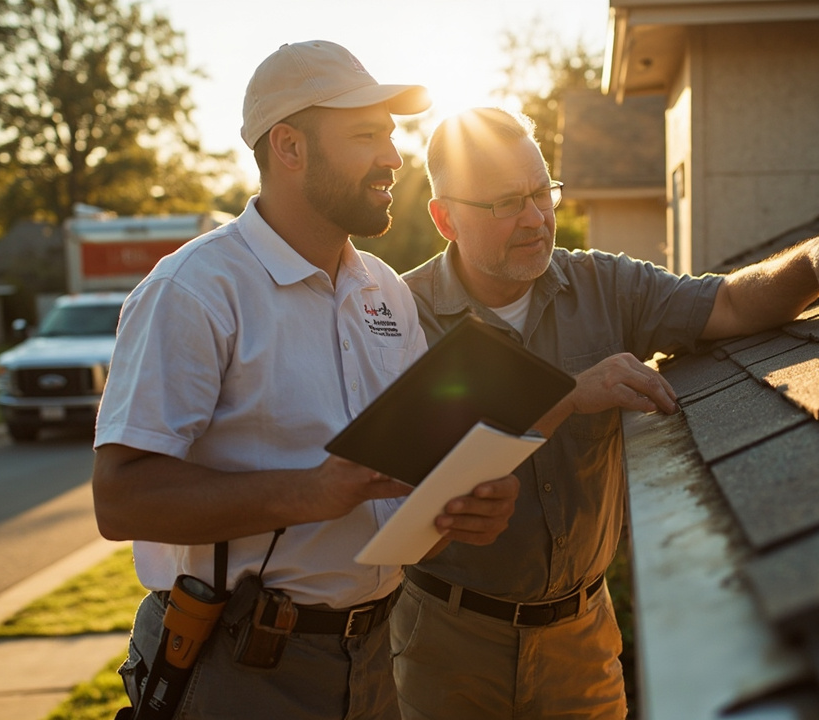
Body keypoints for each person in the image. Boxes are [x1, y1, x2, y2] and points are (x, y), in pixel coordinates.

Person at [390, 107, 819, 719]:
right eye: (506, 203)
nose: (537, 218)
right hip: (449, 648)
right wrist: (568, 392)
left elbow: (726, 302)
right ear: (444, 218)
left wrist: (811, 262)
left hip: (582, 642)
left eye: (542, 191)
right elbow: (404, 481)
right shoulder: (397, 317)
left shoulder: (605, 286)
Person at [91, 45, 518, 720]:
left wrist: (459, 509)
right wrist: (312, 491)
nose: (393, 157)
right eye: (365, 135)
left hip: (375, 659)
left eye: (391, 133)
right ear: (288, 147)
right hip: (237, 666)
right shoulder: (194, 290)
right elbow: (119, 500)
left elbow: (396, 500)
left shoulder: (384, 291)